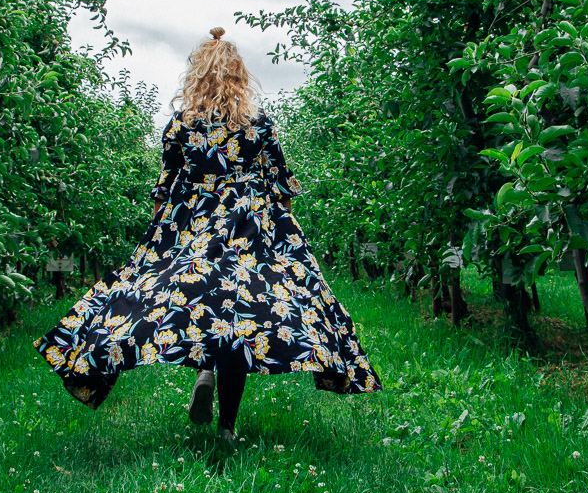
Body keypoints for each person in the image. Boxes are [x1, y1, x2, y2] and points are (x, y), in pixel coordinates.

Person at [32, 27, 382, 446]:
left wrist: (157, 242)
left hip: (193, 223)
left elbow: (164, 186)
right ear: (239, 76)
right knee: (240, 318)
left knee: (185, 300)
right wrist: (286, 236)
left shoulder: (181, 125)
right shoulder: (258, 124)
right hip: (247, 227)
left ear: (197, 74)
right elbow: (281, 185)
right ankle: (228, 428)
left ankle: (202, 370)